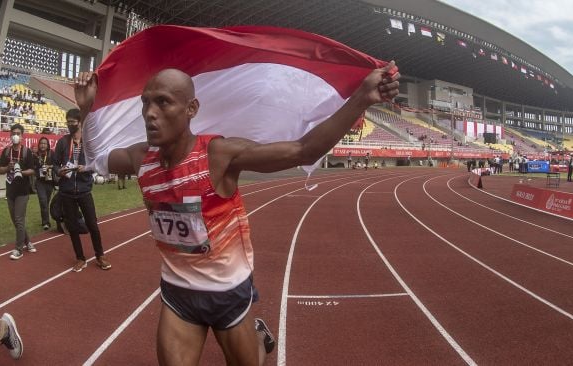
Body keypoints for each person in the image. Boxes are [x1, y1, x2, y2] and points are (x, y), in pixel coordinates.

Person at [75, 62, 399, 365]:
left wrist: (362, 98)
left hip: (227, 292)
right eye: (145, 103)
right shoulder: (140, 158)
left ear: (191, 109)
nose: (150, 113)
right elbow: (95, 158)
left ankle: (258, 335)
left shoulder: (219, 155)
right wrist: (87, 107)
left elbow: (303, 150)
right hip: (178, 292)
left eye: (162, 103)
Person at [54, 109, 111, 272]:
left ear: (80, 123)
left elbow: (97, 162)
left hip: (84, 190)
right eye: (68, 121)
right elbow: (55, 164)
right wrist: (59, 171)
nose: (70, 124)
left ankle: (100, 256)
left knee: (92, 224)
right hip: (67, 191)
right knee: (72, 227)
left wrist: (85, 168)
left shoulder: (89, 142)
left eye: (73, 121)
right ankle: (80, 258)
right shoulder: (63, 142)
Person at [0, 123, 36, 260]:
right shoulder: (6, 152)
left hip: (23, 191)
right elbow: (0, 170)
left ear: (22, 136)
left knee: (19, 219)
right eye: (13, 133)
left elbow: (32, 170)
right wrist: (9, 167)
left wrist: (21, 172)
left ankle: (18, 249)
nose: (15, 136)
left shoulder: (27, 152)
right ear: (10, 135)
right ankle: (28, 242)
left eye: (18, 133)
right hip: (10, 191)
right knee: (16, 220)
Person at [34, 137, 56, 230]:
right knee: (43, 201)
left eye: (45, 143)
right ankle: (45, 222)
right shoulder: (35, 155)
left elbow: (56, 165)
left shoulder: (52, 153)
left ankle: (46, 219)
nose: (43, 145)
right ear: (39, 145)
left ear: (48, 145)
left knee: (46, 202)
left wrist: (49, 166)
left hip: (49, 181)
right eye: (41, 143)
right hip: (40, 182)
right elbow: (32, 167)